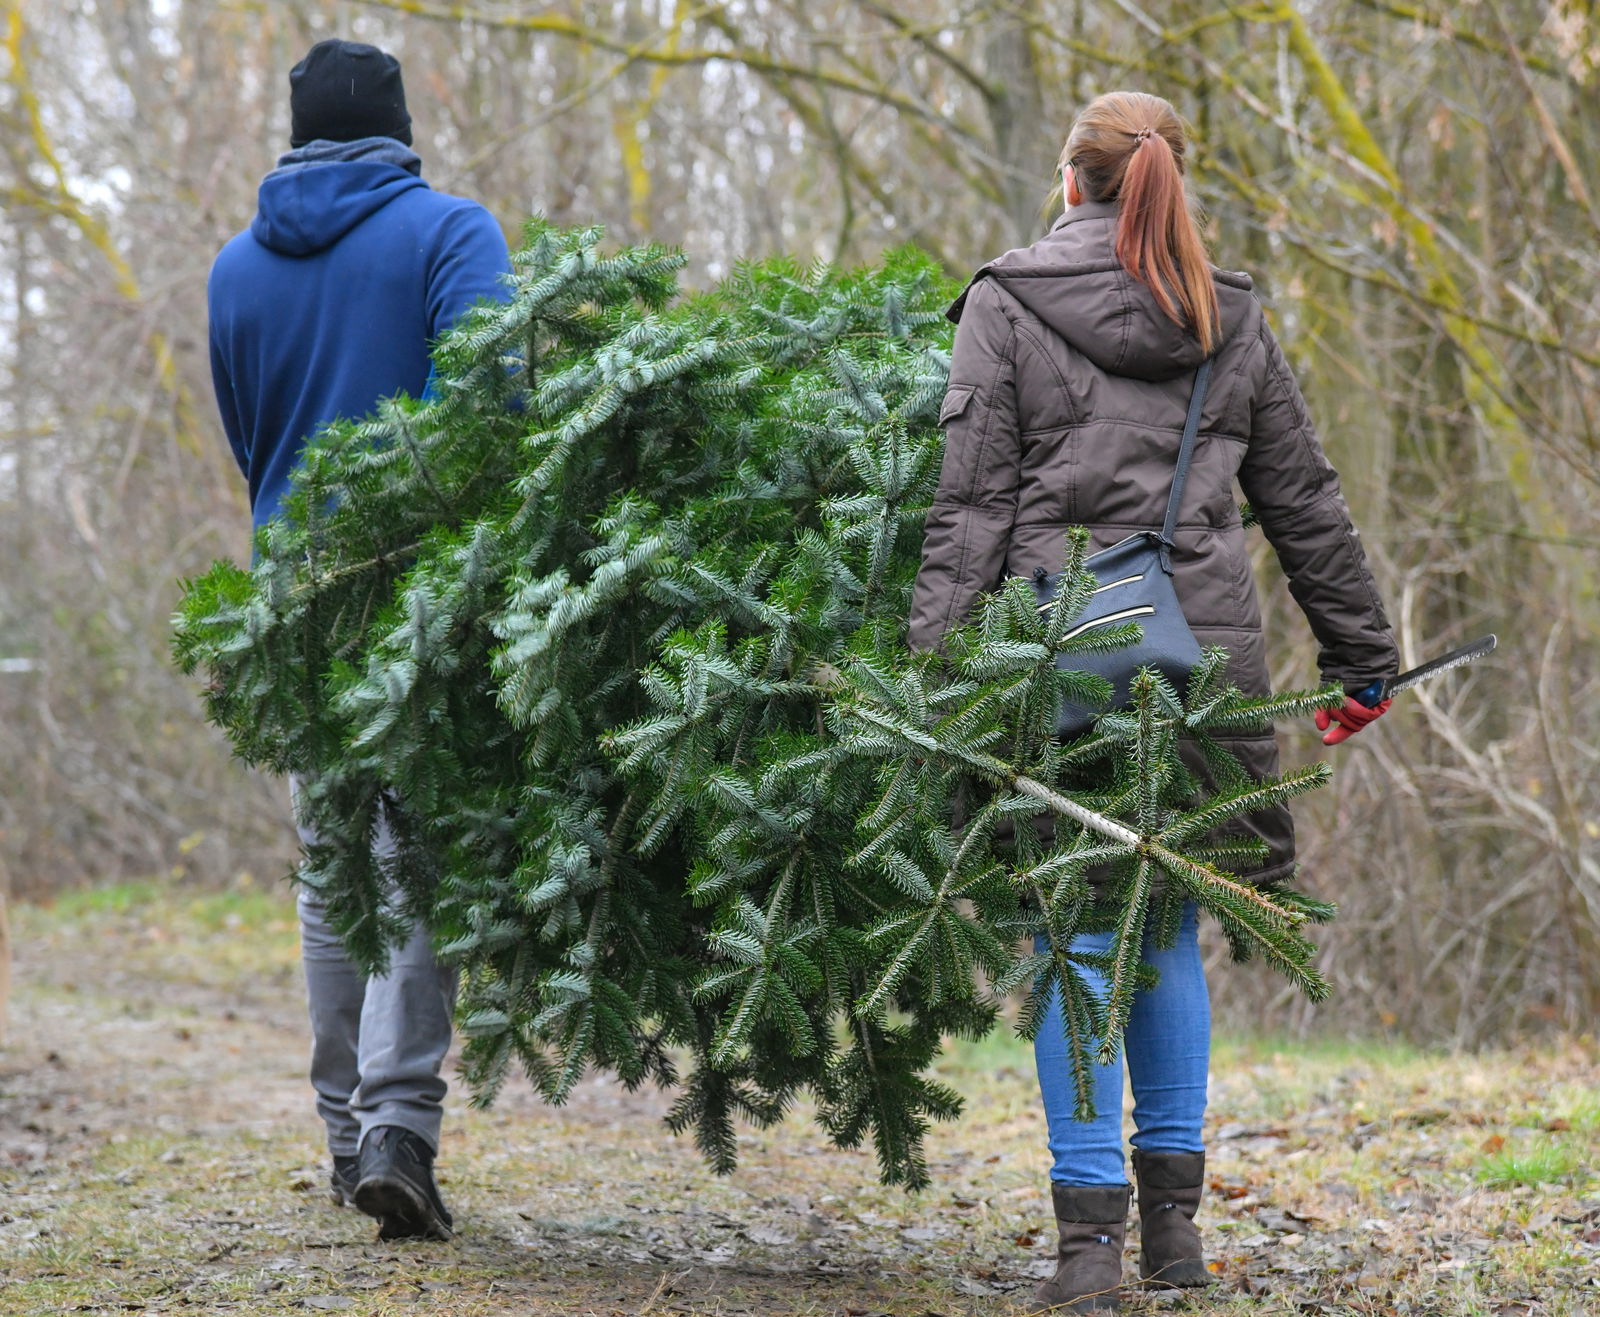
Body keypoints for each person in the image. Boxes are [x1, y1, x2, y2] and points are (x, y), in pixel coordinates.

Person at [908, 91, 1398, 1312]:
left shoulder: (1008, 304)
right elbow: (1305, 502)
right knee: (1163, 926)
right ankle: (1174, 1236)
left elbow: (968, 513)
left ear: (1070, 182)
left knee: (1074, 929)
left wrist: (928, 681)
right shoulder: (1226, 318)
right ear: (1169, 182)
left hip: (1056, 649)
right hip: (1200, 662)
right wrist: (1362, 658)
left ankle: (1087, 1255)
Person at [206, 38, 514, 1242]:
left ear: (295, 134)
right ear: (398, 124)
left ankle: (346, 1139)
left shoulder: (236, 268)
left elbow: (253, 442)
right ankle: (398, 1126)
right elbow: (491, 408)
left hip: (291, 600)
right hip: (422, 588)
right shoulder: (451, 234)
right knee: (414, 861)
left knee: (334, 872)